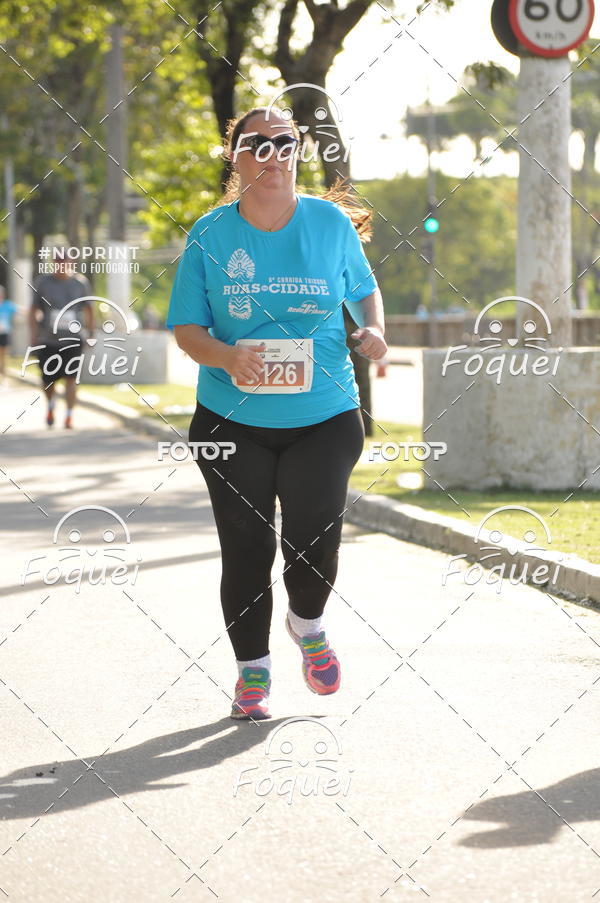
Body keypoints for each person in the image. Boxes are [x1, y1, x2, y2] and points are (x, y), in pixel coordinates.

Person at [167, 106, 387, 720]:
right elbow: (187, 329)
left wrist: (374, 331)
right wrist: (229, 356)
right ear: (233, 155)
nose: (272, 153)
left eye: (284, 142)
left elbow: (363, 287)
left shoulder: (330, 224)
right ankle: (252, 675)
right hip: (231, 420)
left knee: (313, 535)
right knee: (246, 547)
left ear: (298, 150)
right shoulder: (210, 234)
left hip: (325, 413)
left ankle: (307, 623)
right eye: (256, 143)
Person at [29, 256, 95, 429]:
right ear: (53, 263)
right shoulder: (43, 283)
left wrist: (91, 333)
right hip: (48, 339)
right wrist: (34, 334)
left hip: (73, 339)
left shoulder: (80, 283)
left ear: (71, 263)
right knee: (48, 379)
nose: (61, 265)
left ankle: (69, 415)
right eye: (58, 262)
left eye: (64, 261)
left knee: (71, 378)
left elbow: (89, 309)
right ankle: (51, 405)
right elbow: (33, 310)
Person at [0, 285, 17, 381]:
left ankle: (3, 376)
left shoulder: (7, 305)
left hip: (4, 334)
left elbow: (21, 310)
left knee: (4, 356)